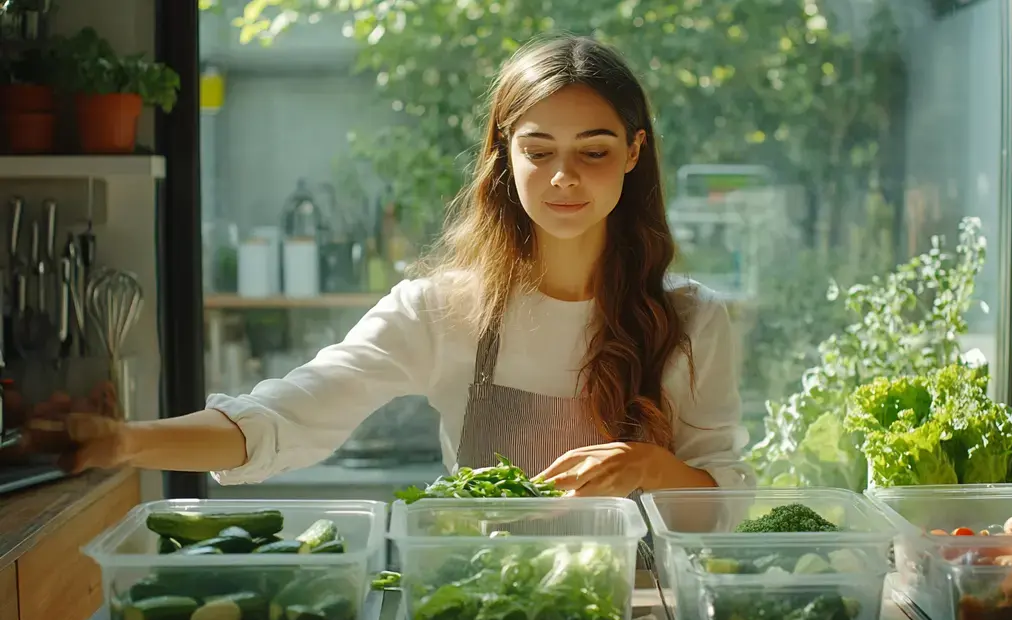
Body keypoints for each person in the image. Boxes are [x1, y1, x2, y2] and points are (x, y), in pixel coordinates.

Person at [22, 33, 752, 498]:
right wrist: (127, 441)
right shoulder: (441, 310)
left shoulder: (692, 319)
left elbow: (730, 496)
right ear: (504, 155)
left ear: (633, 153)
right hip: (483, 596)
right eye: (539, 150)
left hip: (642, 604)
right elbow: (289, 413)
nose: (565, 177)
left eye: (593, 151)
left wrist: (656, 471)